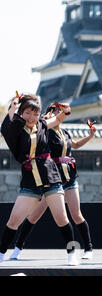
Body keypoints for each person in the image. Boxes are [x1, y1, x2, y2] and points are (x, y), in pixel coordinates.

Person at [9, 103, 97, 261]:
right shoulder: (44, 131)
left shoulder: (65, 132)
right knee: (34, 215)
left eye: (56, 112)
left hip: (69, 176)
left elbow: (75, 145)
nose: (54, 114)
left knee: (76, 214)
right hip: (50, 177)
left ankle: (88, 248)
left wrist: (90, 136)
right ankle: (17, 247)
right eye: (51, 112)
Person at [0, 94, 78, 265]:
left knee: (61, 218)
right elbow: (6, 126)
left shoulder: (42, 124)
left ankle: (72, 252)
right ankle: (1, 253)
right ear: (21, 113)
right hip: (30, 180)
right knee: (14, 220)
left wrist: (66, 110)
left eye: (36, 114)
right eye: (28, 113)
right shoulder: (15, 130)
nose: (32, 117)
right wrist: (13, 106)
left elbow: (58, 118)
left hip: (50, 175)